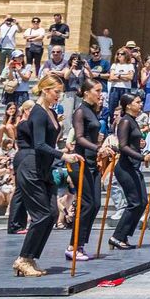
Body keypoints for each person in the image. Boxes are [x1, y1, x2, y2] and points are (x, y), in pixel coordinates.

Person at [11, 74, 79, 276]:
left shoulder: (49, 111)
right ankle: (23, 259)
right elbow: (39, 144)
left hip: (43, 167)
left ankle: (30, 258)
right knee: (41, 215)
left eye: (60, 92)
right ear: (45, 90)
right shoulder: (38, 113)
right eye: (56, 92)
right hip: (31, 165)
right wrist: (63, 155)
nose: (59, 95)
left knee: (51, 214)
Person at [66, 81, 108, 258]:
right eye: (97, 90)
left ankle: (81, 244)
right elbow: (80, 138)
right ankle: (73, 246)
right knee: (87, 204)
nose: (100, 93)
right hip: (80, 161)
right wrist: (98, 148)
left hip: (93, 162)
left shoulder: (92, 110)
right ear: (85, 92)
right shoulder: (80, 111)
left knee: (95, 204)